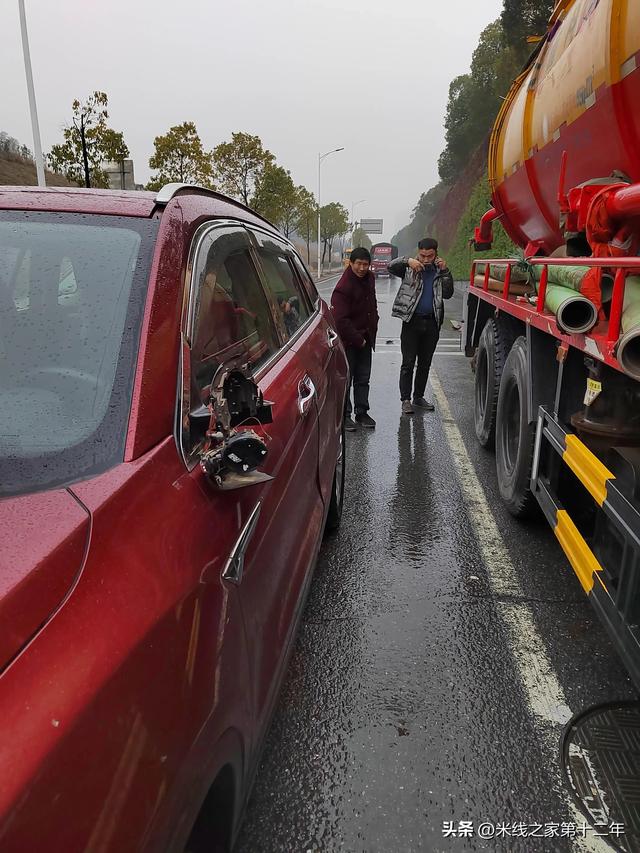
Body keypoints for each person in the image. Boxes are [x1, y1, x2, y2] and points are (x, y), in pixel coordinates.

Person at [388, 238, 454, 414]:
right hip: (411, 321)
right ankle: (406, 400)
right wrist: (407, 260)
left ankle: (418, 397)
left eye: (429, 256)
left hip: (432, 322)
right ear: (418, 252)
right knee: (408, 363)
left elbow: (448, 293)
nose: (425, 259)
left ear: (436, 254)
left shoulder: (440, 271)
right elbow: (391, 267)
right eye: (422, 255)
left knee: (425, 363)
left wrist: (445, 270)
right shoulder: (410, 267)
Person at [330, 247, 379, 430]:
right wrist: (359, 340)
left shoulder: (370, 279)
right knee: (346, 380)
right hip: (349, 341)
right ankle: (345, 415)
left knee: (363, 378)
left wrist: (373, 326)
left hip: (365, 337)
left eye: (365, 264)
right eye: (358, 264)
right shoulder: (343, 288)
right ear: (350, 263)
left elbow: (371, 304)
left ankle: (362, 412)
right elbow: (340, 320)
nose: (361, 268)